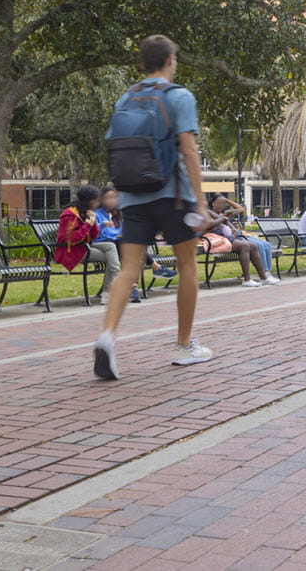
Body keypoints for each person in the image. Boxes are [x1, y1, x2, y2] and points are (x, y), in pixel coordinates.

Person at [93, 35, 214, 379]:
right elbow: (188, 150)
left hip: (132, 195)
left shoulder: (125, 98)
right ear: (171, 60)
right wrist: (200, 202)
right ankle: (184, 345)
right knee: (187, 266)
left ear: (142, 63)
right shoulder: (179, 97)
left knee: (129, 269)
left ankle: (107, 335)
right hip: (174, 195)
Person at [209, 192, 275, 283]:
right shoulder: (211, 214)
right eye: (220, 203)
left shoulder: (224, 213)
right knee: (255, 245)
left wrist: (227, 200)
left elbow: (240, 209)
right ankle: (260, 274)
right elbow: (211, 225)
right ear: (213, 203)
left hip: (238, 235)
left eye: (224, 203)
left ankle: (266, 275)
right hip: (231, 238)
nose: (222, 205)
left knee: (265, 244)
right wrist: (223, 218)